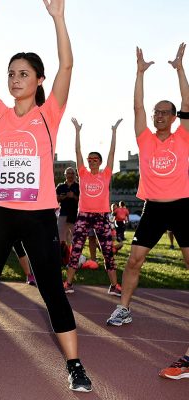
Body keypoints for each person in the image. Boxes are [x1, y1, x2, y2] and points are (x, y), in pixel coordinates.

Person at [0, 0, 92, 393]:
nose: (14, 79)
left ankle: (74, 365)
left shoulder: (50, 113)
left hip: (39, 214)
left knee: (51, 289)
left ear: (39, 80)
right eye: (11, 74)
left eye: (23, 74)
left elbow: (68, 67)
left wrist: (58, 18)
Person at [107, 43, 189, 326]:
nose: (158, 116)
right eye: (156, 112)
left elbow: (188, 102)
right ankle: (124, 308)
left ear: (174, 116)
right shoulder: (146, 139)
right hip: (153, 208)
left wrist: (180, 69)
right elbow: (137, 106)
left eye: (164, 112)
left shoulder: (183, 136)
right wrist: (139, 73)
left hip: (182, 207)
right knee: (133, 260)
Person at [63, 117, 122, 296]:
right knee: (76, 249)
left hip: (102, 216)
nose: (92, 161)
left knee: (107, 252)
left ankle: (114, 286)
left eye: (95, 159)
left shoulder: (106, 174)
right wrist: (77, 132)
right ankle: (68, 283)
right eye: (90, 159)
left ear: (100, 161)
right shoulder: (83, 174)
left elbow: (112, 153)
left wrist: (113, 133)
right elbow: (77, 151)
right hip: (84, 215)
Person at [56, 167, 79, 264]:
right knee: (61, 238)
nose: (70, 175)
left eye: (72, 173)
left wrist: (74, 196)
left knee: (74, 239)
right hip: (63, 215)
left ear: (75, 175)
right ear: (65, 175)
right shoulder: (60, 186)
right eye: (68, 173)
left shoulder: (78, 186)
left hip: (75, 215)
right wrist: (63, 197)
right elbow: (55, 199)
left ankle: (72, 259)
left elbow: (83, 200)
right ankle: (62, 259)